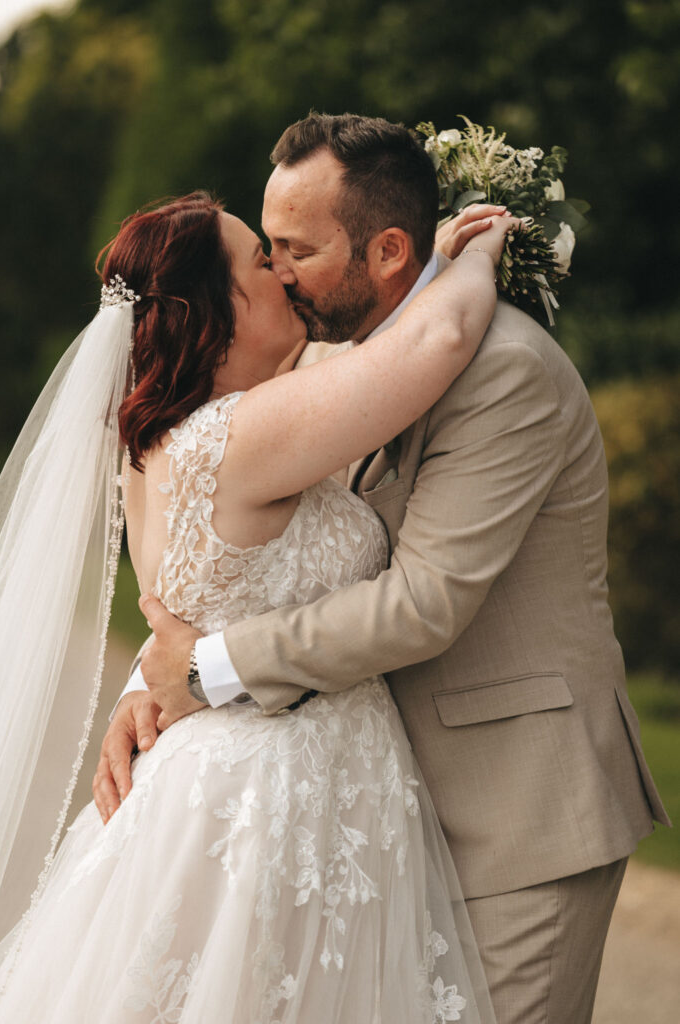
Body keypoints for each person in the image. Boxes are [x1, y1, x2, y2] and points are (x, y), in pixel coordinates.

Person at [103, 114, 670, 1024]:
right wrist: (150, 681)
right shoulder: (338, 367)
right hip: (379, 825)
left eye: (296, 248)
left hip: (516, 816)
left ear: (389, 249)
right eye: (267, 250)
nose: (281, 271)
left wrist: (203, 671)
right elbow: (233, 562)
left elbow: (421, 606)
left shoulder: (505, 374)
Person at [0, 189, 513, 1020]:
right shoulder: (235, 437)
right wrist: (471, 257)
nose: (280, 270)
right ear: (219, 312)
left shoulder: (169, 437)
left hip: (230, 781)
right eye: (257, 260)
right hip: (269, 807)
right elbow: (443, 338)